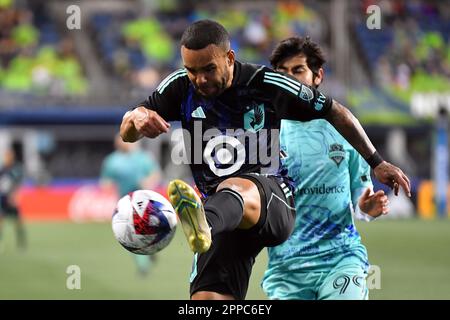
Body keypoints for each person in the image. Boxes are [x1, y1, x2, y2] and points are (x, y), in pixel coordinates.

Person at [120, 19, 410, 300]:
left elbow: (335, 111)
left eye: (209, 69)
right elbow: (128, 131)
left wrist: (377, 162)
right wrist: (136, 118)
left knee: (236, 187)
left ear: (230, 58)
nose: (200, 79)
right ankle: (205, 223)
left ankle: (201, 221)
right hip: (221, 219)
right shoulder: (180, 87)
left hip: (271, 200)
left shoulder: (264, 83)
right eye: (192, 70)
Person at [261, 36, 389, 300]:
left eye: (297, 71)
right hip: (286, 270)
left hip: (340, 259)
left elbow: (360, 193)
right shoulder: (264, 133)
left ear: (318, 76)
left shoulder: (344, 130)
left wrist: (367, 207)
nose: (288, 79)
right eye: (281, 73)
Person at [100, 133, 161, 276]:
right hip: (126, 204)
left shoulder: (143, 158)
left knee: (143, 232)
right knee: (133, 235)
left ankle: (149, 249)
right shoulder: (112, 160)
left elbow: (156, 175)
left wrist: (148, 182)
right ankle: (143, 265)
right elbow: (105, 182)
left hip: (144, 202)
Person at [0, 146, 26, 252]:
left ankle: (21, 244)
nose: (7, 158)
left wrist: (15, 196)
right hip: (3, 197)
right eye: (6, 156)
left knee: (17, 222)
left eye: (8, 155)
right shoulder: (2, 169)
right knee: (1, 220)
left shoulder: (16, 169)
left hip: (12, 198)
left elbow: (18, 184)